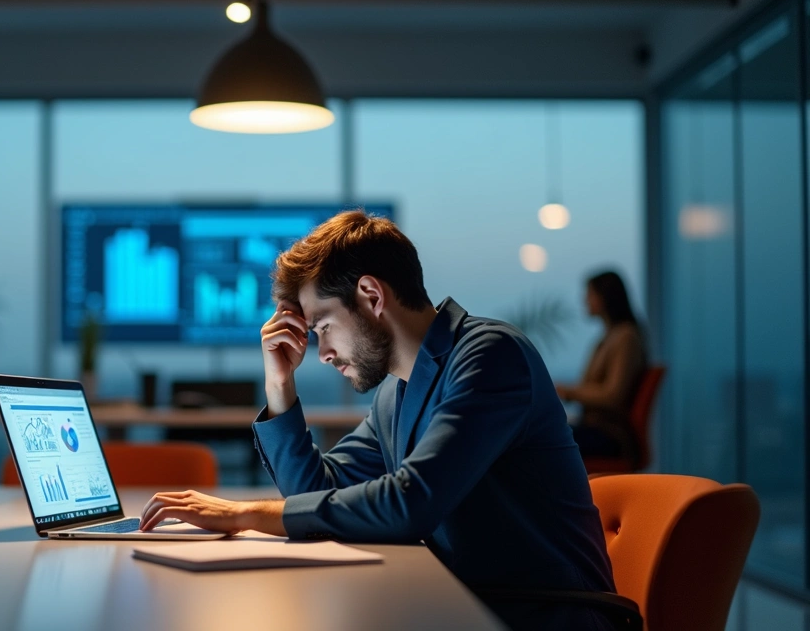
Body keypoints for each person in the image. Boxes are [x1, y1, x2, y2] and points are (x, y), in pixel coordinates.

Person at [138, 211, 616, 629]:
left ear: (370, 295)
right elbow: (315, 493)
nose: (321, 353)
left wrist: (245, 513)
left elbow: (411, 502)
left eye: (323, 326)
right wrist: (280, 387)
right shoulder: (397, 392)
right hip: (467, 604)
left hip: (546, 615)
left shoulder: (490, 355)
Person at [556, 271, 648, 462]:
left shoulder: (625, 337)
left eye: (590, 294)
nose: (585, 300)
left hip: (611, 435)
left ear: (605, 297)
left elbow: (613, 395)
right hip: (596, 428)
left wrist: (568, 392)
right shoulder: (608, 338)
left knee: (542, 439)